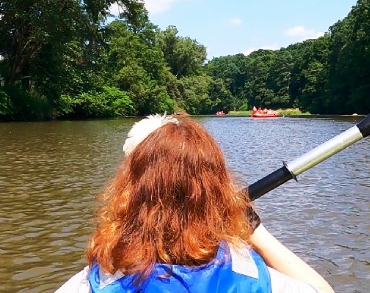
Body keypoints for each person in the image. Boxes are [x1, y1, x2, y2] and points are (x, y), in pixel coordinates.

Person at [56, 115, 334, 293]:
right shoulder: (246, 275)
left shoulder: (102, 280)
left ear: (131, 193)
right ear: (215, 195)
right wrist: (254, 230)